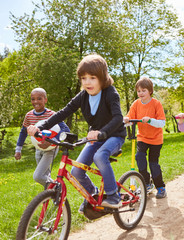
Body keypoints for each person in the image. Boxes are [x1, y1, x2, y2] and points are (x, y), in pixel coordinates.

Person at [27, 54, 126, 211]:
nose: (87, 82)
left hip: (114, 135)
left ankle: (114, 196)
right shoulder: (83, 96)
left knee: (100, 156)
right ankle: (94, 195)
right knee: (76, 171)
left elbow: (118, 118)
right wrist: (41, 127)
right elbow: (64, 112)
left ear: (102, 77)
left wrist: (101, 132)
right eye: (83, 78)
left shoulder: (110, 93)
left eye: (92, 77)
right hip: (95, 137)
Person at [15, 88, 70, 188]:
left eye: (39, 98)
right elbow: (23, 132)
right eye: (33, 99)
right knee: (45, 176)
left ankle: (58, 188)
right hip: (38, 149)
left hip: (51, 149)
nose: (35, 101)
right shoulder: (29, 115)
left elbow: (65, 130)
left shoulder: (52, 115)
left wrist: (52, 141)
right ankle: (53, 197)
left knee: (38, 176)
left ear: (45, 100)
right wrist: (18, 149)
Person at [123, 77, 167, 199]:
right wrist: (126, 119)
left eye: (144, 90)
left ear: (150, 91)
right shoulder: (136, 104)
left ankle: (161, 187)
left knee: (153, 164)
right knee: (139, 157)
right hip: (142, 137)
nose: (141, 93)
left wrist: (150, 120)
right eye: (139, 91)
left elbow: (162, 123)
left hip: (156, 139)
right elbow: (130, 118)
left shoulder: (156, 104)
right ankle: (147, 183)